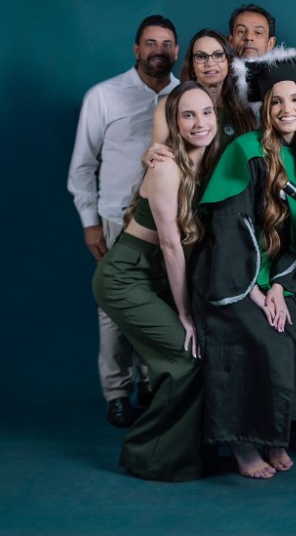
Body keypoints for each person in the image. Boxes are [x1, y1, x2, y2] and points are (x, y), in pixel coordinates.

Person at [190, 45, 296, 480]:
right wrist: (258, 292)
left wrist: (280, 288)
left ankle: (273, 434)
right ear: (265, 108)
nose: (287, 109)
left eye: (295, 100)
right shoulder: (245, 150)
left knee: (289, 335)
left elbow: (292, 237)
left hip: (271, 276)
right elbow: (230, 228)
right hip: (230, 275)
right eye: (276, 101)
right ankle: (243, 444)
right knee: (260, 338)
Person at [92, 82, 217, 480]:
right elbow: (170, 245)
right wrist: (185, 314)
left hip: (152, 275)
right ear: (174, 124)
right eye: (188, 115)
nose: (200, 122)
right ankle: (149, 456)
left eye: (207, 112)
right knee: (185, 358)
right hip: (125, 276)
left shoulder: (207, 163)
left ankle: (187, 450)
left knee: (197, 358)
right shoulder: (166, 167)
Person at [68, 14, 180, 427]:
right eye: (150, 43)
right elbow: (83, 165)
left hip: (169, 218)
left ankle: (151, 384)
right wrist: (89, 222)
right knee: (114, 308)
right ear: (136, 49)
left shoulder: (186, 96)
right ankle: (117, 392)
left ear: (177, 51)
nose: (158, 51)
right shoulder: (103, 96)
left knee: (161, 302)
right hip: (116, 218)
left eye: (166, 44)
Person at [149, 29, 256, 154]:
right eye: (201, 56)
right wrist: (149, 156)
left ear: (229, 62)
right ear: (192, 66)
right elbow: (156, 157)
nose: (210, 63)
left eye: (218, 55)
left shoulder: (245, 104)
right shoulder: (169, 104)